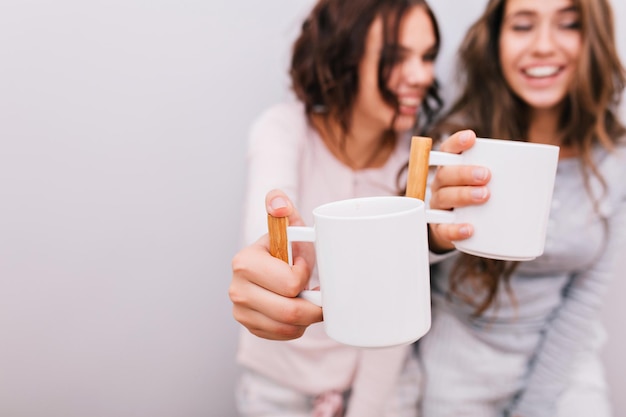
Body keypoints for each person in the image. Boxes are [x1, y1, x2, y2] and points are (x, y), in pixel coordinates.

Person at [230, 1, 464, 416]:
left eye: (427, 57)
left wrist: (368, 408)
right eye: (396, 57)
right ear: (343, 55)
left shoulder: (420, 161)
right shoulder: (284, 131)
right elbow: (266, 240)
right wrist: (268, 271)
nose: (423, 75)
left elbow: (400, 301)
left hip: (386, 391)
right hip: (278, 389)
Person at [419, 0, 626, 416]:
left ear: (594, 40)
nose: (543, 46)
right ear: (495, 40)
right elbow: (403, 260)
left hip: (565, 354)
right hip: (457, 356)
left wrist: (538, 403)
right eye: (523, 25)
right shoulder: (455, 144)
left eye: (568, 24)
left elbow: (585, 299)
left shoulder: (612, 156)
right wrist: (433, 234)